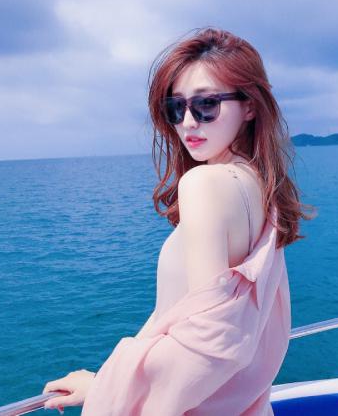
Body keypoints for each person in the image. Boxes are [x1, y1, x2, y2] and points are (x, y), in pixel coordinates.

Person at [42, 27, 315, 414]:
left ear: (250, 106)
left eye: (207, 104)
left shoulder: (204, 184)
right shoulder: (261, 187)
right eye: (176, 108)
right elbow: (198, 318)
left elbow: (209, 341)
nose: (188, 122)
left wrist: (105, 388)